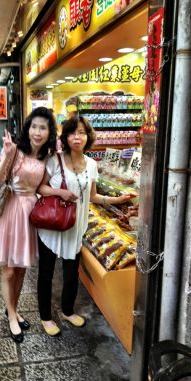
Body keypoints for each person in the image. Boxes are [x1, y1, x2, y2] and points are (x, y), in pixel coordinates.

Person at [37, 116, 134, 336]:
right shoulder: (55, 160)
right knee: (46, 273)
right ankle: (45, 316)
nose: (77, 137)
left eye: (81, 132)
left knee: (72, 275)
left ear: (88, 136)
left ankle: (67, 311)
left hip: (75, 226)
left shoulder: (92, 164)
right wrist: (60, 192)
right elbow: (41, 188)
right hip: (51, 225)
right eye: (72, 133)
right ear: (66, 137)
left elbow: (93, 197)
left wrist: (116, 201)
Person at [0, 107, 57, 343]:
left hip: (29, 215)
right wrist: (6, 155)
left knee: (22, 268)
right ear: (28, 128)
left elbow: (42, 186)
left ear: (49, 132)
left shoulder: (47, 156)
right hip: (8, 213)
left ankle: (12, 308)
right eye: (34, 126)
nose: (37, 132)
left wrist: (60, 193)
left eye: (43, 127)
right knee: (9, 269)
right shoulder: (15, 150)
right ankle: (12, 316)